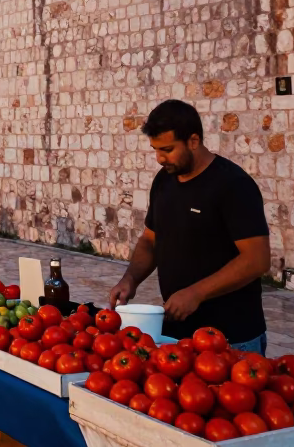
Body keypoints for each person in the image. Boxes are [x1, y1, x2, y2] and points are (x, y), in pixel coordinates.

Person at [108, 100, 271, 353]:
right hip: (177, 334)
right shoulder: (164, 180)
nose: (160, 158)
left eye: (168, 149)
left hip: (231, 337)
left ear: (193, 141)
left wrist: (196, 293)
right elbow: (151, 240)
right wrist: (130, 279)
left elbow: (257, 259)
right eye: (155, 149)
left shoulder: (233, 185)